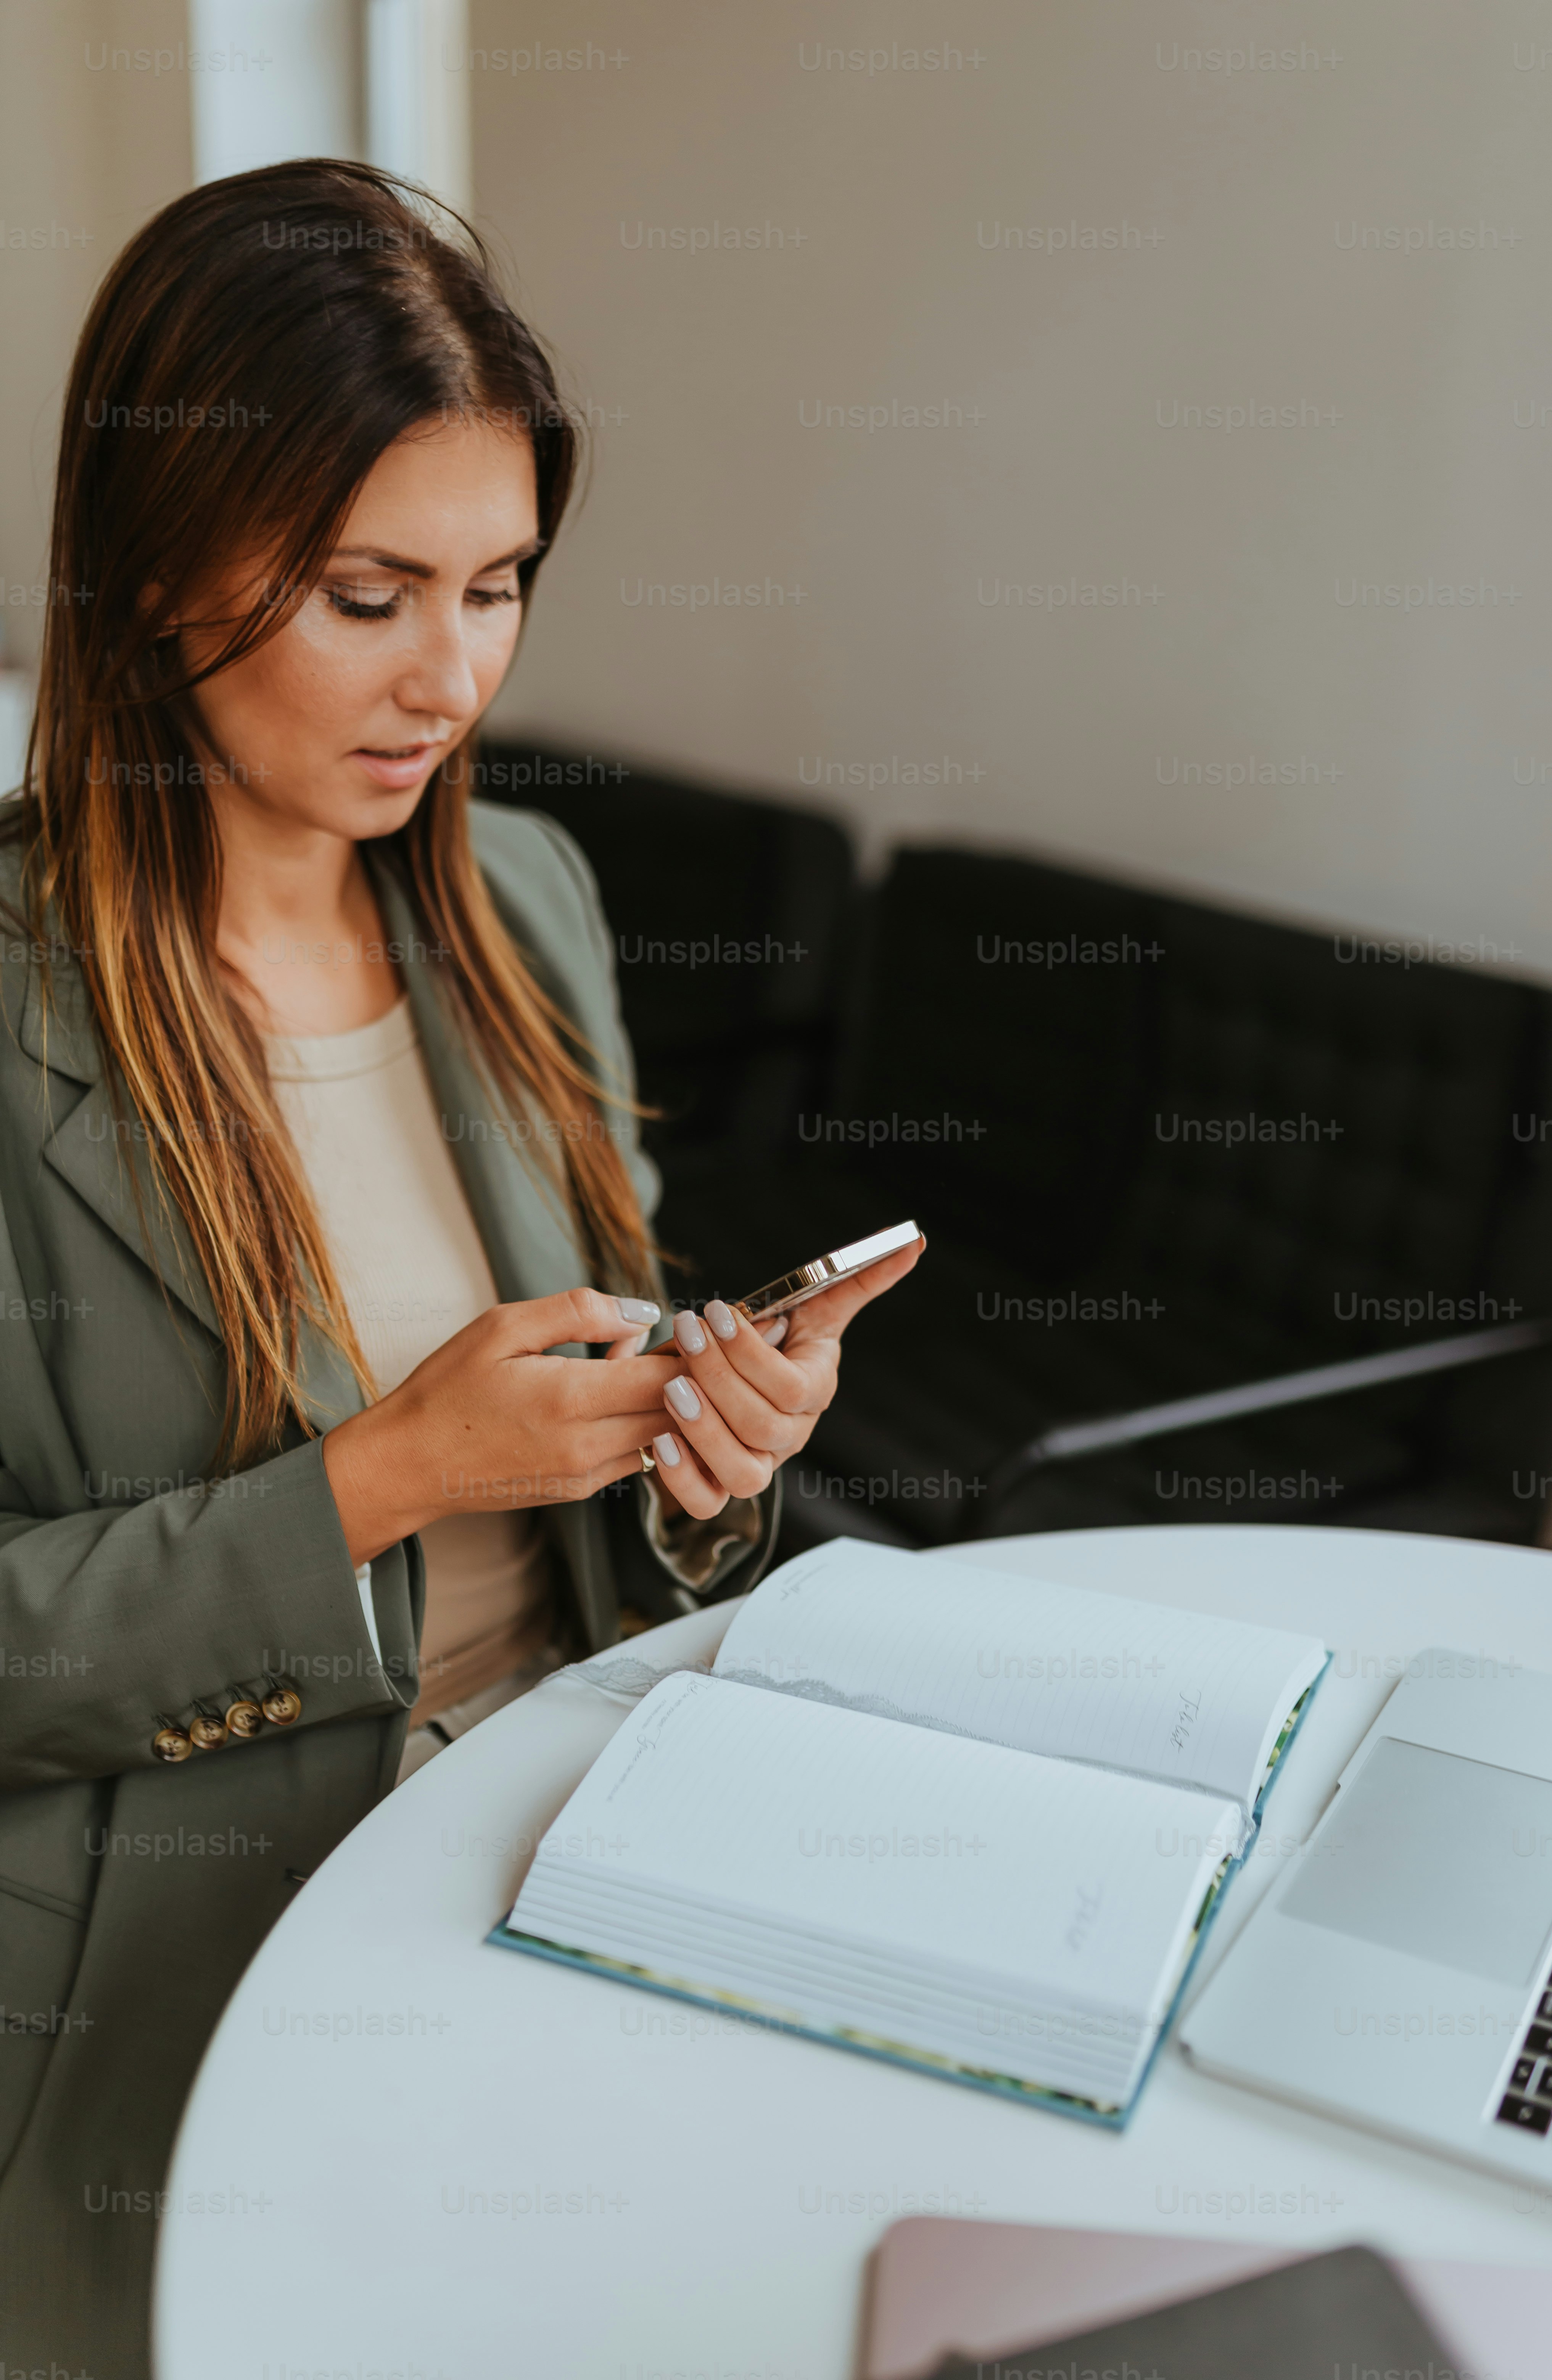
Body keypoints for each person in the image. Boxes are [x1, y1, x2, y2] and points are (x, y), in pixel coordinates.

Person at [0, 159, 922, 2374]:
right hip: (171, 1966)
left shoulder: (523, 896)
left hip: (577, 1857)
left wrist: (715, 1450)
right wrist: (377, 1481)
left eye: (495, 587)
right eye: (364, 595)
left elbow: (610, 1447)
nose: (455, 676)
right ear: (149, 580)